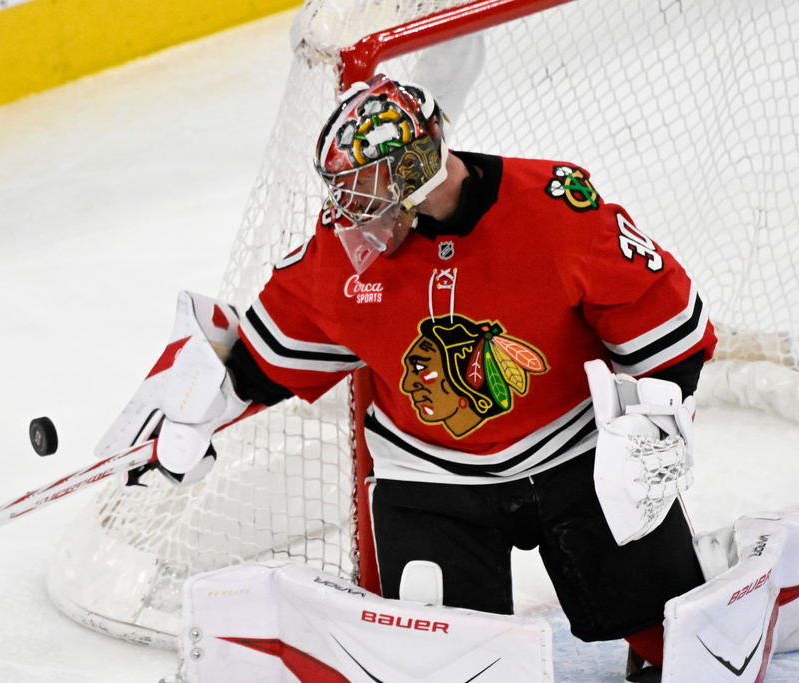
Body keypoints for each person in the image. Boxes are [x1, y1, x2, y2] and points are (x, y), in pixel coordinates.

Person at [107, 74, 717, 681]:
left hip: (575, 452)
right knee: (442, 668)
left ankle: (648, 630)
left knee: (678, 639)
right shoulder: (342, 250)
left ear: (418, 169)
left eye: (365, 188)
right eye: (344, 190)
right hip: (429, 477)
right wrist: (196, 413)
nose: (349, 211)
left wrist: (655, 418)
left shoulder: (555, 212)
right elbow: (263, 359)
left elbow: (666, 323)